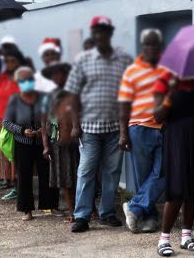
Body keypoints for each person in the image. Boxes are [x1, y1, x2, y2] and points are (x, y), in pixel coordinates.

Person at [65, 16, 132, 232]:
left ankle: (107, 213)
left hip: (115, 128)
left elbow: (126, 96)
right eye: (97, 31)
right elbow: (73, 94)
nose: (100, 35)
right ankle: (82, 216)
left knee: (112, 173)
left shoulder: (123, 59)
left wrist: (124, 131)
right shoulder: (82, 60)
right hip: (89, 129)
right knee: (86, 171)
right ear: (93, 34)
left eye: (104, 31)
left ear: (110, 33)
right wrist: (75, 125)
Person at [152, 72, 194, 256]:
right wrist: (170, 95)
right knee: (177, 189)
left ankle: (186, 236)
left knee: (192, 188)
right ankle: (164, 239)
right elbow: (158, 116)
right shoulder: (163, 82)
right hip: (176, 140)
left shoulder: (193, 82)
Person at [118, 28, 170, 233]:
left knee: (164, 172)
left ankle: (133, 208)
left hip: (164, 128)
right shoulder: (132, 71)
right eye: (147, 44)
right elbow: (124, 104)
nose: (151, 48)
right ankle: (150, 218)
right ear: (143, 46)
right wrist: (123, 133)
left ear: (160, 47)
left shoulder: (166, 70)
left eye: (155, 44)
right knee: (143, 176)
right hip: (139, 128)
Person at [2, 67, 57, 220]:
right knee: (24, 176)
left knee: (47, 174)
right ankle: (27, 210)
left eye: (29, 79)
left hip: (42, 142)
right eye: (23, 80)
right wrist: (21, 130)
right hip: (22, 142)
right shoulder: (14, 99)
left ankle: (50, 206)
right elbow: (6, 122)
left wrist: (43, 130)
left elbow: (52, 118)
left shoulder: (43, 98)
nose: (27, 82)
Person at [40, 59, 78, 221]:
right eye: (53, 75)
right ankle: (72, 212)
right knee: (65, 180)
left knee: (81, 177)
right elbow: (43, 122)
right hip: (57, 143)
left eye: (59, 73)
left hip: (76, 142)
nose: (56, 77)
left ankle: (89, 209)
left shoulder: (74, 93)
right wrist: (45, 145)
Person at [0, 46, 22, 198]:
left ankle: (19, 186)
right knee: (7, 153)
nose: (9, 64)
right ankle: (12, 184)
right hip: (2, 119)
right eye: (7, 61)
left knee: (17, 154)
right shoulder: (1, 78)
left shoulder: (22, 77)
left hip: (18, 120)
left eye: (12, 61)